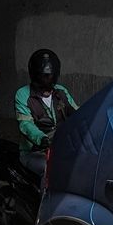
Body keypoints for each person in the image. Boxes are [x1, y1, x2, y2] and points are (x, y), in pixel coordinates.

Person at [15, 48, 77, 176]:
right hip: (35, 151)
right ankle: (46, 197)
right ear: (35, 74)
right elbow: (26, 124)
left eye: (50, 75)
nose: (47, 79)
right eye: (44, 76)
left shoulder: (61, 92)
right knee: (52, 171)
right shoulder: (23, 94)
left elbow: (78, 114)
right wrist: (41, 139)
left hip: (61, 149)